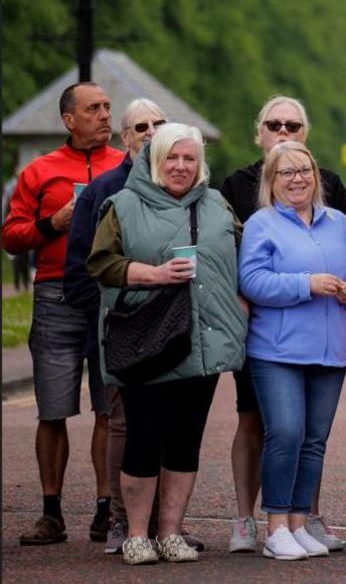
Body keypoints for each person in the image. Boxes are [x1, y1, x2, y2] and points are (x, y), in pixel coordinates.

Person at [87, 124, 247, 564]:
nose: (180, 166)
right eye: (172, 158)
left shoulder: (216, 204)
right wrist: (151, 274)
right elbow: (100, 264)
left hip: (206, 343)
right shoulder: (122, 206)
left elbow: (242, 256)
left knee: (185, 440)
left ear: (200, 164)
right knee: (144, 437)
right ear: (154, 160)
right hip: (149, 341)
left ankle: (171, 532)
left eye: (189, 159)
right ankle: (137, 533)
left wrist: (242, 305)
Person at [219, 96, 346, 553]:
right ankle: (275, 526)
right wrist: (307, 284)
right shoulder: (261, 223)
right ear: (271, 181)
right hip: (277, 349)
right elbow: (251, 281)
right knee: (286, 432)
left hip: (331, 348)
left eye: (305, 171)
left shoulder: (338, 222)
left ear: (317, 176)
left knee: (314, 440)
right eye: (286, 173)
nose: (297, 179)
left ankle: (297, 523)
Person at [2, 82, 125, 546]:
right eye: (94, 109)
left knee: (108, 407)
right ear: (68, 120)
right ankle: (50, 513)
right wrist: (52, 224)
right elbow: (11, 236)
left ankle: (104, 510)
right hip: (55, 294)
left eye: (108, 107)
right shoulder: (40, 171)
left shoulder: (125, 166)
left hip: (108, 294)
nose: (105, 116)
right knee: (52, 409)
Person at [64, 99, 180, 554]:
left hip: (176, 332)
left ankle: (166, 524)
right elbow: (80, 271)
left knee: (171, 424)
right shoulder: (103, 192)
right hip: (123, 329)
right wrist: (119, 315)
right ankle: (119, 520)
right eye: (141, 126)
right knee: (122, 422)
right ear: (125, 138)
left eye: (160, 124)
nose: (152, 132)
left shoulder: (183, 185)